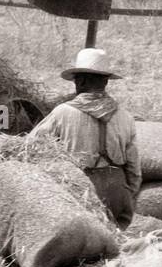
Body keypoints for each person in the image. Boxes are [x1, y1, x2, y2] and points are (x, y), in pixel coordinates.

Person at [28, 47, 142, 225]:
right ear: (105, 82)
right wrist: (127, 195)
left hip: (81, 190)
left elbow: (31, 146)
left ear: (80, 82)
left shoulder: (62, 113)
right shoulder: (125, 116)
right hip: (117, 191)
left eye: (76, 80)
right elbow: (134, 168)